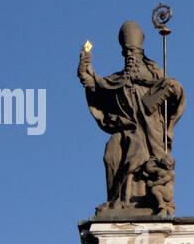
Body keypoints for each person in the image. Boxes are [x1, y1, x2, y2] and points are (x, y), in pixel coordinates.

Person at [78, 21, 185, 215]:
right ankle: (118, 200)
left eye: (133, 53)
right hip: (127, 130)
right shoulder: (118, 80)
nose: (129, 57)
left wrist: (167, 86)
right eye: (126, 53)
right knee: (111, 154)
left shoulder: (154, 74)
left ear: (140, 53)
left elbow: (175, 90)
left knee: (142, 158)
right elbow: (96, 87)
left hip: (151, 132)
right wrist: (85, 68)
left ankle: (149, 201)